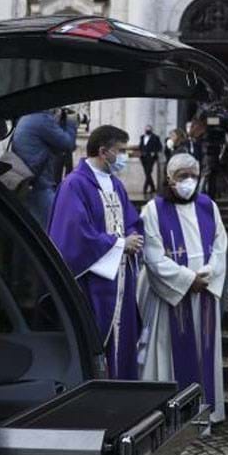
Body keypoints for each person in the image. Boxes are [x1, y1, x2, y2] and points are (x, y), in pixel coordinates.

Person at [137, 152, 228, 428]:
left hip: (204, 296)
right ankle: (169, 415)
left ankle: (205, 412)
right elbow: (153, 257)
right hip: (173, 298)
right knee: (168, 353)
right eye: (182, 176)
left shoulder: (208, 206)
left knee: (204, 351)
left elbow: (221, 246)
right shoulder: (153, 210)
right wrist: (189, 280)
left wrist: (207, 276)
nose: (189, 181)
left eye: (193, 175)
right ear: (169, 179)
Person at [48, 125, 144, 379]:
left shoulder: (115, 184)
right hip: (93, 283)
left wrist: (133, 237)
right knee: (96, 345)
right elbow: (75, 235)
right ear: (103, 151)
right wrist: (122, 244)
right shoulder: (75, 185)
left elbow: (130, 220)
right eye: (121, 151)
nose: (124, 157)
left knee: (122, 346)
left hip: (122, 278)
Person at [12, 108, 78, 227]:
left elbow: (55, 148)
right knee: (57, 226)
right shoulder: (42, 120)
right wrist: (71, 123)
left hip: (27, 182)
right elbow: (68, 144)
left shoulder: (27, 117)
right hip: (39, 185)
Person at [139, 125, 163, 198]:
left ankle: (145, 188)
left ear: (151, 130)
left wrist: (154, 153)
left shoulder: (156, 137)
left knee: (148, 172)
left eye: (149, 129)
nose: (147, 130)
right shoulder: (142, 137)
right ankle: (152, 188)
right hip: (143, 157)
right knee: (147, 173)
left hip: (151, 158)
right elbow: (141, 146)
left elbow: (160, 147)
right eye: (146, 129)